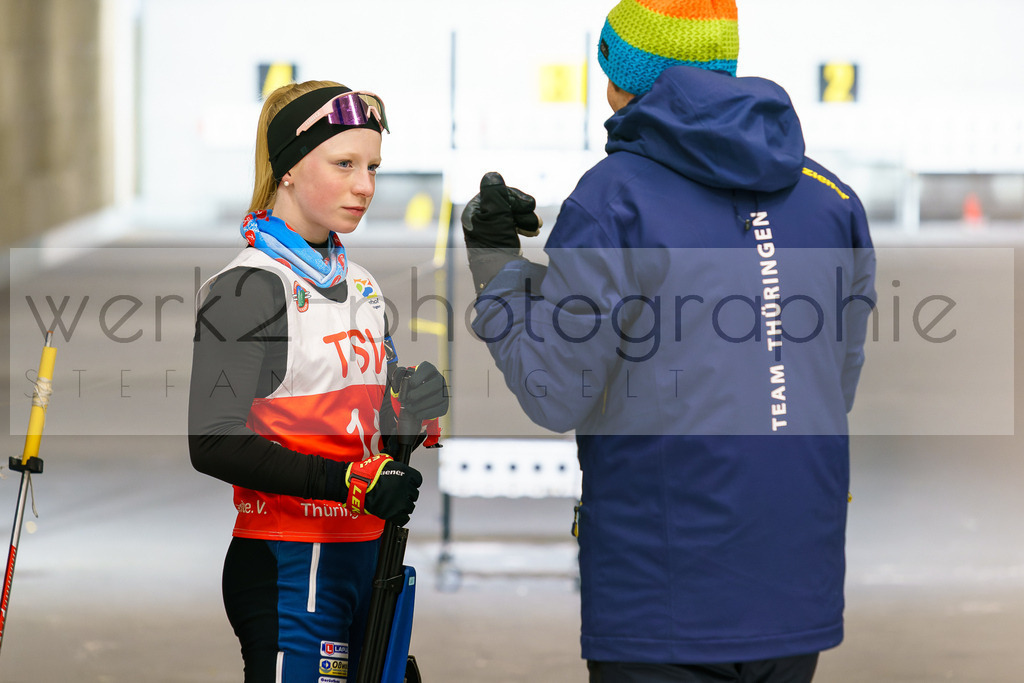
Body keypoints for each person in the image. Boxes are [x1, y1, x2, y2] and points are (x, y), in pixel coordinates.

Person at [461, 2, 876, 682]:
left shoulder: (616, 197)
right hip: (797, 578)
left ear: (628, 79)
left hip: (665, 593)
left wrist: (498, 269)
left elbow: (554, 389)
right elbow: (828, 378)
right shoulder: (830, 198)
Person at [188, 80, 447, 683]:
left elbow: (364, 422)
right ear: (287, 171)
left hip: (367, 558)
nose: (366, 187)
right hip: (289, 557)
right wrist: (343, 481)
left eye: (374, 168)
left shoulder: (361, 284)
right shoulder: (247, 289)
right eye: (345, 164)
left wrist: (408, 404)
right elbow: (213, 441)